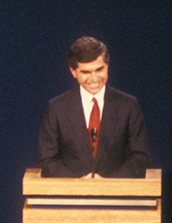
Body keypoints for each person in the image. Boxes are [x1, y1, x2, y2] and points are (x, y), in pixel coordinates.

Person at [37, 37, 151, 178]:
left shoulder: (128, 105)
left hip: (116, 195)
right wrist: (78, 183)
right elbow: (46, 160)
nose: (94, 78)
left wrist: (108, 183)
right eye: (86, 72)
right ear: (73, 72)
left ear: (107, 66)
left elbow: (140, 157)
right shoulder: (56, 108)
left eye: (99, 69)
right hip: (71, 196)